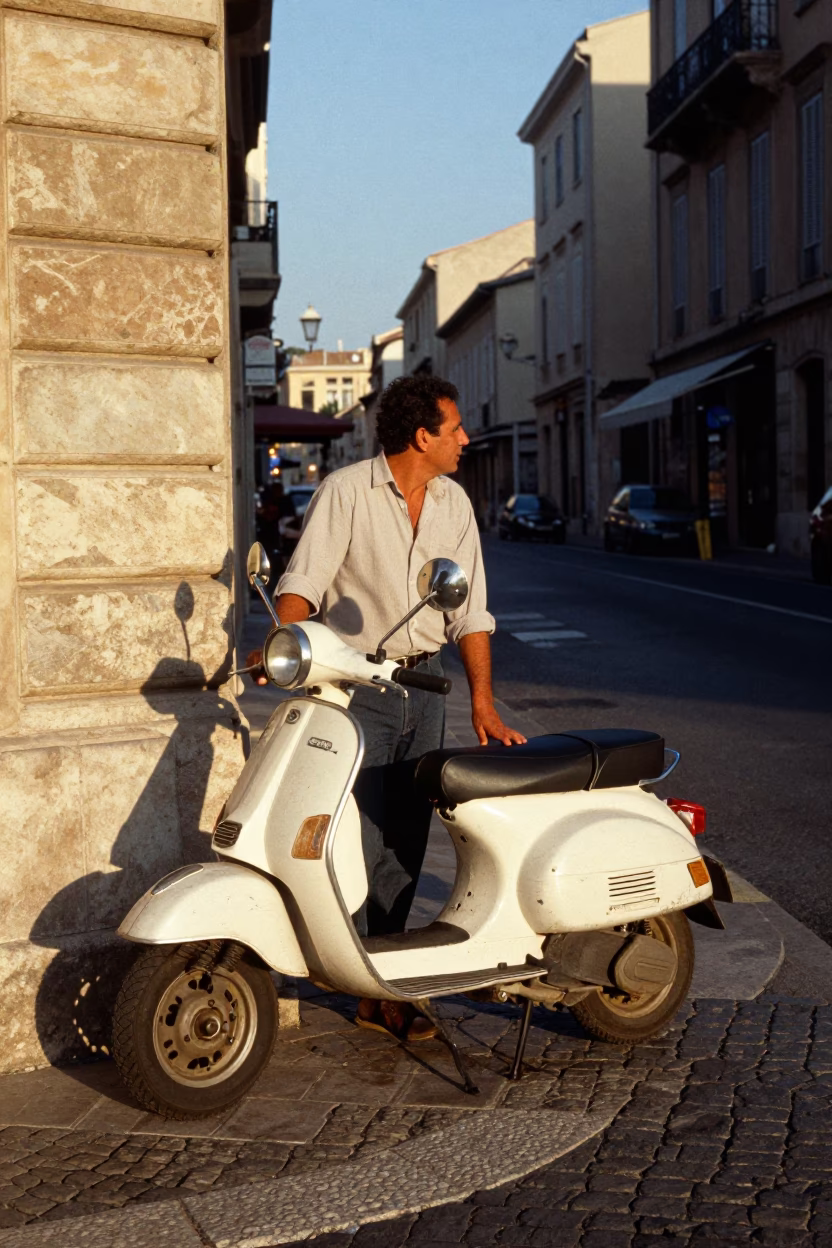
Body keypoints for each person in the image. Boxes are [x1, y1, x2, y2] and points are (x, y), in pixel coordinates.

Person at [249, 375, 525, 1042]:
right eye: (454, 428)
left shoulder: (455, 505)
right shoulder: (346, 492)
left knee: (405, 840)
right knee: (353, 837)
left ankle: (385, 982)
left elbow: (471, 612)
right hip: (355, 692)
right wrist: (283, 647)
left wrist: (482, 705)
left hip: (424, 691)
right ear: (422, 435)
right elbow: (303, 581)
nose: (465, 438)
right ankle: (354, 971)